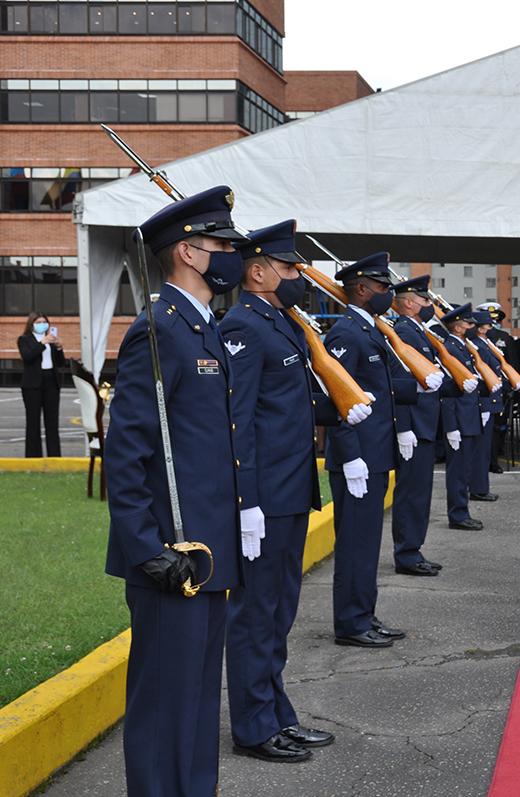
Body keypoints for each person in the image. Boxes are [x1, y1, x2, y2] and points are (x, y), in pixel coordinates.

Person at [105, 185, 248, 797]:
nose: (232, 256)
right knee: (166, 707)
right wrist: (146, 550)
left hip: (208, 552)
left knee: (194, 707)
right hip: (173, 557)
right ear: (189, 253)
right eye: (222, 245)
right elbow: (128, 454)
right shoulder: (158, 330)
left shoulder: (201, 329)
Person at [222, 220, 369, 762]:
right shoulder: (244, 326)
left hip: (289, 491)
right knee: (257, 615)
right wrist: (247, 502)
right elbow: (238, 422)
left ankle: (275, 713)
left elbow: (295, 405)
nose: (297, 277)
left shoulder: (279, 322)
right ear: (257, 272)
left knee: (278, 614)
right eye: (287, 268)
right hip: (266, 496)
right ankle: (254, 727)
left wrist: (345, 407)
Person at [323, 253, 418, 647]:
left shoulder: (371, 330)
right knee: (354, 546)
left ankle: (364, 612)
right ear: (361, 289)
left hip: (374, 453)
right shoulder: (346, 334)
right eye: (382, 288)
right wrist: (351, 457)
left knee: (366, 545)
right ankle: (350, 622)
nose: (387, 294)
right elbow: (340, 399)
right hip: (357, 458)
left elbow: (380, 392)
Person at [388, 274, 447, 577]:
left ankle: (414, 549)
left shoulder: (417, 331)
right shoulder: (405, 333)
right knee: (411, 493)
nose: (431, 304)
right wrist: (404, 427)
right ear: (409, 303)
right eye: (426, 300)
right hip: (415, 426)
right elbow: (402, 382)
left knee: (420, 494)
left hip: (425, 424)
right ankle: (407, 554)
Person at [438, 303, 485, 528]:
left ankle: (462, 511)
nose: (472, 327)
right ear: (458, 328)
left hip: (469, 418)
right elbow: (447, 392)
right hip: (460, 420)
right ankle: (457, 515)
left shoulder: (463, 347)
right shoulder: (451, 349)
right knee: (457, 471)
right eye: (469, 324)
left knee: (465, 469)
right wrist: (451, 426)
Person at [18, 311, 65, 458]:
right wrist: (42, 343)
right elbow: (28, 357)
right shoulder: (24, 339)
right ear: (31, 325)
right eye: (38, 323)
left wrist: (58, 348)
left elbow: (60, 363)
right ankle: (33, 457)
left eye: (43, 322)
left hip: (51, 381)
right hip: (32, 384)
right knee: (33, 421)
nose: (41, 325)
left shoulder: (50, 340)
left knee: (52, 421)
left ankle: (55, 456)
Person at [469, 309, 504, 501]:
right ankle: (478, 488)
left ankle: (480, 486)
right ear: (481, 329)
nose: (493, 327)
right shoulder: (478, 346)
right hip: (484, 401)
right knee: (481, 449)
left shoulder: (485, 344)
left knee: (484, 447)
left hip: (490, 399)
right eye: (490, 325)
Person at [478, 302, 514, 473]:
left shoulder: (504, 338)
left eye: (494, 321)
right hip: (482, 390)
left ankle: (493, 461)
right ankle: (484, 462)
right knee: (484, 429)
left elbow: (511, 364)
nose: (491, 326)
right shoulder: (475, 341)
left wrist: (510, 387)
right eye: (488, 322)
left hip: (500, 389)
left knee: (497, 429)